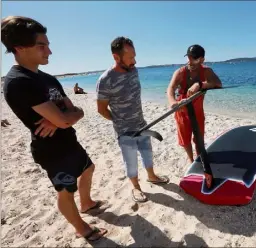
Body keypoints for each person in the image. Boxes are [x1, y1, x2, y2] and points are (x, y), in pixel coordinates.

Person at [1, 16, 107, 241]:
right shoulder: (18, 82)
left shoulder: (47, 78)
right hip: (51, 150)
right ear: (19, 48)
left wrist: (63, 118)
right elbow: (67, 117)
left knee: (88, 169)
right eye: (42, 46)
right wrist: (63, 118)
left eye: (48, 45)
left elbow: (75, 111)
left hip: (69, 140)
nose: (49, 51)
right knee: (66, 192)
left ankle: (87, 203)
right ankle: (82, 228)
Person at [96, 36, 169, 203]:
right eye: (130, 58)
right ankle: (136, 187)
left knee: (147, 153)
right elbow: (101, 110)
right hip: (124, 131)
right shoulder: (105, 80)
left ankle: (151, 176)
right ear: (116, 57)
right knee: (131, 161)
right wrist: (120, 122)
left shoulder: (133, 70)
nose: (134, 61)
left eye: (134, 56)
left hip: (143, 124)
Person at [167, 44, 222, 163]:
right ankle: (191, 160)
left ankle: (199, 158)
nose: (190, 61)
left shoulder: (207, 71)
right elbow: (170, 88)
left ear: (202, 59)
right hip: (182, 110)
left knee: (199, 138)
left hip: (197, 112)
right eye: (188, 57)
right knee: (185, 140)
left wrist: (200, 84)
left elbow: (218, 84)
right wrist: (172, 102)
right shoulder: (181, 72)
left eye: (194, 58)